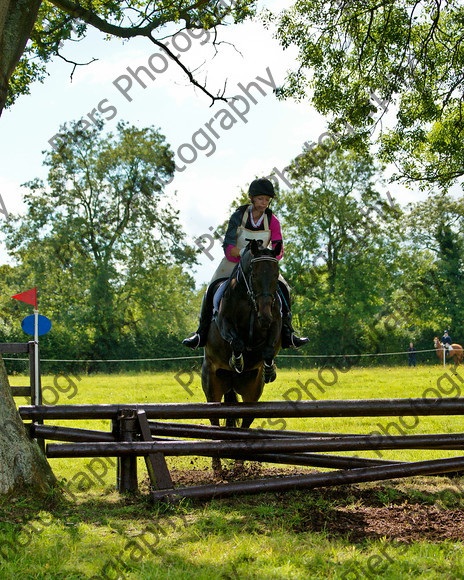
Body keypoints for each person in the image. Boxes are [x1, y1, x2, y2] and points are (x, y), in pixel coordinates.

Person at [182, 178, 308, 350]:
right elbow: (228, 246)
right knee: (211, 287)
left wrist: (267, 258)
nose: (264, 203)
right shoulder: (238, 216)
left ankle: (288, 332)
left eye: (267, 200)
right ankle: (201, 332)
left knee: (284, 288)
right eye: (260, 199)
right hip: (235, 260)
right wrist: (243, 253)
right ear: (251, 198)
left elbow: (278, 249)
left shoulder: (273, 221)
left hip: (262, 264)